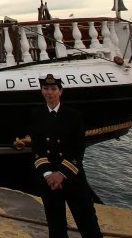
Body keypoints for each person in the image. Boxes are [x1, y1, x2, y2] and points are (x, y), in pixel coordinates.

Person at [28, 74, 103, 238]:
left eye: (54, 89)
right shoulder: (36, 114)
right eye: (46, 89)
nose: (50, 93)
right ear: (41, 91)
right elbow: (38, 149)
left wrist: (61, 174)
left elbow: (78, 150)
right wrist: (49, 175)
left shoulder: (73, 116)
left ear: (61, 91)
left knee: (88, 225)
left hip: (72, 176)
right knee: (56, 228)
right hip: (50, 181)